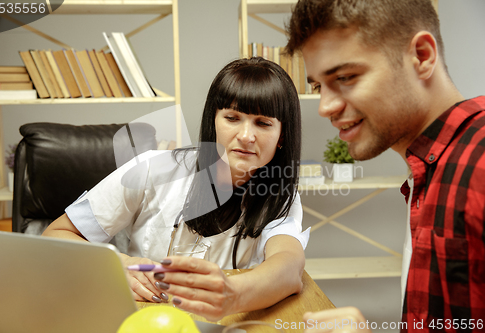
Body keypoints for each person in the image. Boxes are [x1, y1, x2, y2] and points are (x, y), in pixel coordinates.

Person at [42, 57, 309, 321]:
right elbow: (56, 235)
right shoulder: (150, 169)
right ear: (213, 121)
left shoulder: (281, 196)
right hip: (139, 319)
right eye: (232, 118)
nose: (246, 136)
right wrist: (116, 266)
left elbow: (289, 267)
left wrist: (231, 294)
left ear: (282, 135)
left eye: (263, 123)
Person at [285, 0, 485, 332]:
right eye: (319, 86)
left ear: (421, 55)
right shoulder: (430, 168)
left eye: (346, 77)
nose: (325, 107)